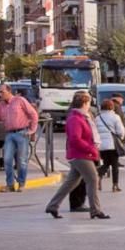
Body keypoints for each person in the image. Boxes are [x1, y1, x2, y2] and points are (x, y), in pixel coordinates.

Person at [44, 92, 108, 220]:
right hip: (81, 154)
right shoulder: (75, 118)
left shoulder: (82, 116)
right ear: (84, 103)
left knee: (71, 182)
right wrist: (90, 148)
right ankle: (95, 210)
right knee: (93, 179)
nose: (90, 105)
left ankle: (53, 206)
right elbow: (75, 139)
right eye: (89, 102)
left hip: (80, 154)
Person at [0, 83, 39, 192]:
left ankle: (21, 183)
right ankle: (10, 184)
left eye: (2, 92)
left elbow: (33, 114)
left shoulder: (20, 100)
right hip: (9, 133)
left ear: (9, 91)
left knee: (22, 160)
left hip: (22, 132)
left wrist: (32, 130)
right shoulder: (0, 104)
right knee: (7, 159)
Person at [95, 99, 125, 192]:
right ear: (112, 107)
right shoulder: (115, 117)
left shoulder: (97, 118)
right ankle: (115, 185)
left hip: (101, 145)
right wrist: (121, 137)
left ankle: (99, 175)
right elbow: (120, 131)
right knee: (115, 165)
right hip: (112, 144)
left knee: (106, 163)